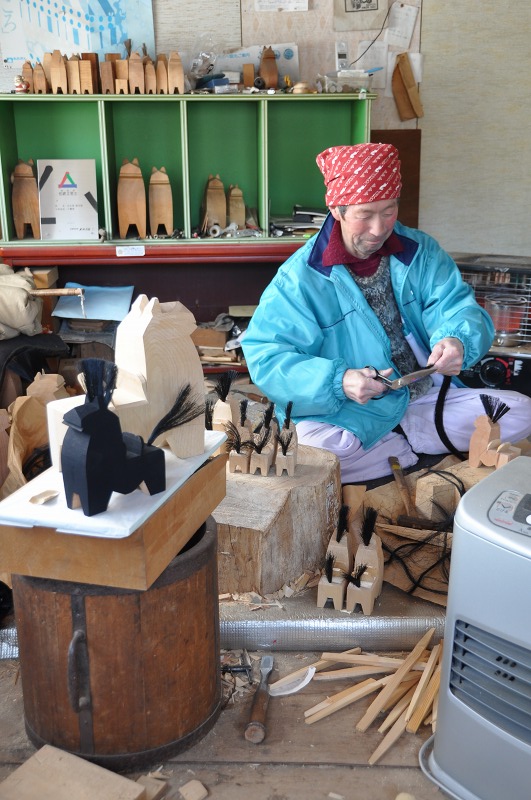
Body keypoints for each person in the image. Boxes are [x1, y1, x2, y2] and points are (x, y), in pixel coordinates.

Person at [241, 142, 531, 483]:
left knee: (520, 410)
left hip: (424, 396)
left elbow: (456, 305)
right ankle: (413, 449)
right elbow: (267, 356)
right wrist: (339, 381)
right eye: (365, 215)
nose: (379, 229)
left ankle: (397, 444)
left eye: (389, 211)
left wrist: (456, 339)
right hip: (351, 411)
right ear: (337, 209)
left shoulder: (420, 251)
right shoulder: (300, 279)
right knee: (309, 450)